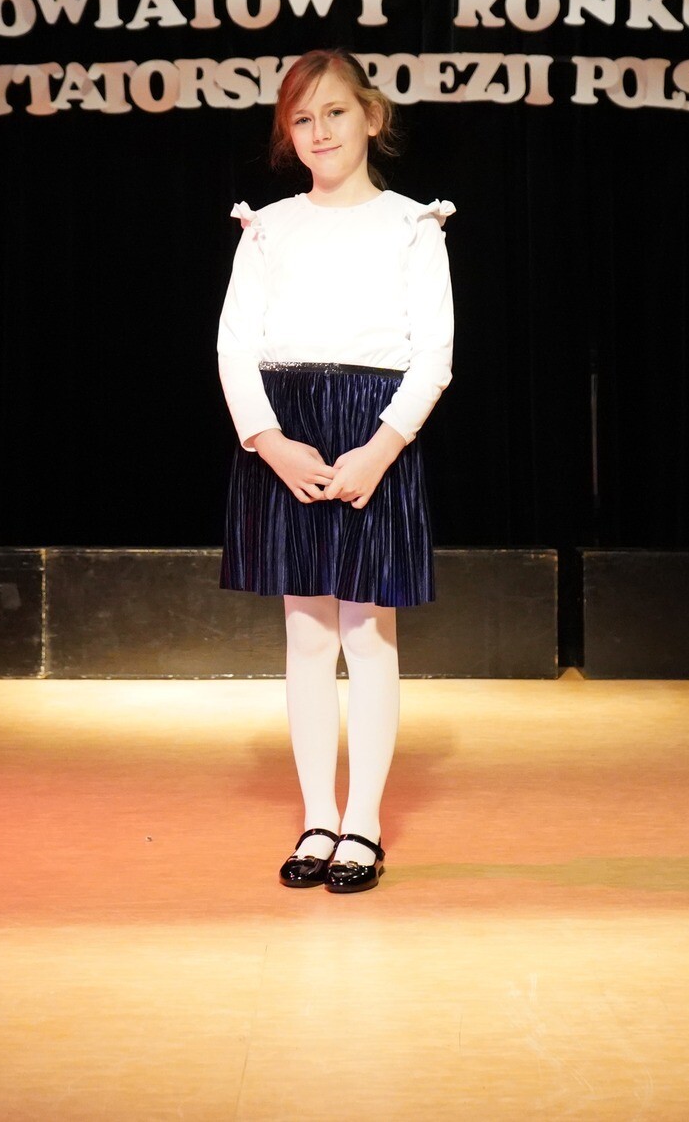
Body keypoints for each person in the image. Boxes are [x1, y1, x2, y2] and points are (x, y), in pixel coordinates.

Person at [215, 48, 455, 895]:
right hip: (290, 434)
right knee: (308, 632)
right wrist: (270, 442)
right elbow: (234, 347)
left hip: (372, 433)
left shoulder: (412, 226)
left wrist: (382, 448)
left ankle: (364, 822)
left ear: (372, 117)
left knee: (368, 631)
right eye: (302, 118)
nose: (319, 131)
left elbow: (434, 354)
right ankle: (319, 815)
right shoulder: (268, 228)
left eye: (335, 112)